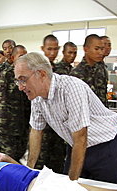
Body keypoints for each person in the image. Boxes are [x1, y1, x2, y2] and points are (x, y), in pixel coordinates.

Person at [15, 52, 117, 183]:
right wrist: (29, 169)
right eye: (17, 81)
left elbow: (81, 137)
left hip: (105, 144)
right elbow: (36, 131)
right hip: (76, 144)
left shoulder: (71, 89)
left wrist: (71, 184)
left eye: (23, 79)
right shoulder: (37, 97)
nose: (20, 87)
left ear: (42, 74)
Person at [0, 45, 31, 162]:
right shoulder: (6, 74)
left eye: (26, 56)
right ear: (13, 57)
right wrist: (5, 128)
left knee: (19, 157)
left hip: (22, 125)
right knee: (7, 159)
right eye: (21, 56)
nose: (24, 59)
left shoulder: (26, 75)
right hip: (8, 128)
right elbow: (1, 103)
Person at [36, 34, 65, 174]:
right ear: (43, 49)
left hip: (60, 128)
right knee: (40, 165)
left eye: (55, 49)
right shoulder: (36, 70)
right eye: (49, 49)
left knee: (58, 164)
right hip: (43, 127)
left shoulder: (63, 70)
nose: (52, 53)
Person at [70, 34, 108, 107]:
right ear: (86, 49)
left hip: (102, 115)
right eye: (96, 49)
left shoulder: (100, 70)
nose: (100, 52)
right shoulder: (77, 73)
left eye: (102, 49)